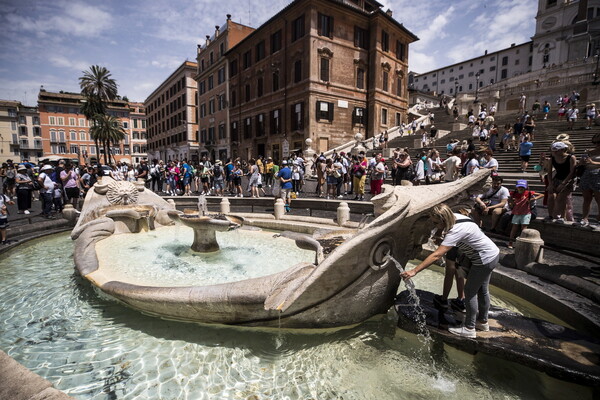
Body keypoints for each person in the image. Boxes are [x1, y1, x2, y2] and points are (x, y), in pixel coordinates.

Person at [401, 203, 500, 338]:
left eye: (436, 222)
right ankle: (482, 322)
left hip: (483, 260)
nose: (435, 225)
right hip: (492, 254)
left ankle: (469, 328)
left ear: (443, 219)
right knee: (482, 290)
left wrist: (414, 271)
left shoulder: (456, 231)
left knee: (470, 292)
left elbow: (436, 255)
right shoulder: (457, 217)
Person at [546, 141, 577, 223]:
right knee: (551, 196)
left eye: (557, 150)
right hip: (557, 178)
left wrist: (563, 183)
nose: (555, 152)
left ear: (563, 149)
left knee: (561, 197)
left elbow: (572, 172)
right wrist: (550, 184)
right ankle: (551, 215)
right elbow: (549, 172)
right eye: (553, 151)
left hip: (568, 179)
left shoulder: (571, 158)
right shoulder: (552, 159)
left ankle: (561, 217)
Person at [507, 179, 543, 248]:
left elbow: (541, 195)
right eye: (519, 187)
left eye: (522, 187)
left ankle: (522, 243)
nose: (521, 189)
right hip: (516, 213)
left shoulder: (529, 193)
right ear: (516, 187)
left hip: (526, 213)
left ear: (525, 187)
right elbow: (510, 203)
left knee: (524, 229)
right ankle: (510, 242)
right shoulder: (513, 194)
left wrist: (532, 199)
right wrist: (511, 202)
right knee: (514, 228)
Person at [576, 133, 600, 227]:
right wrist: (581, 162)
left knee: (599, 199)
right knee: (587, 198)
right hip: (587, 173)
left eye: (599, 142)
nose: (596, 144)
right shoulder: (588, 151)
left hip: (598, 174)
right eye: (594, 142)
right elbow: (581, 164)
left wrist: (592, 162)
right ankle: (584, 218)